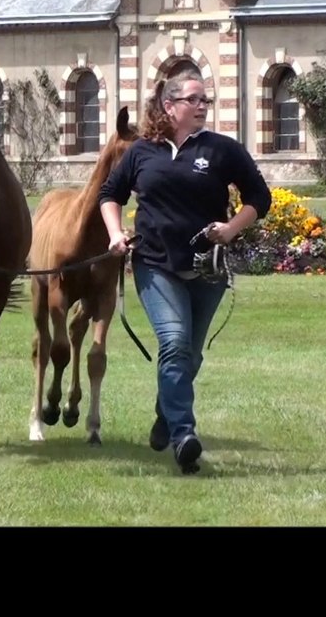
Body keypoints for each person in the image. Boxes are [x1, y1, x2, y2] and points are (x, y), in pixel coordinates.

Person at [98, 70, 272, 474]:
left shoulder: (222, 150)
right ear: (169, 105)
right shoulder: (141, 151)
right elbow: (111, 194)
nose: (201, 107)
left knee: (189, 355)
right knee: (174, 342)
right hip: (155, 264)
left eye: (204, 101)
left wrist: (230, 229)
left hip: (207, 270)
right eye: (193, 100)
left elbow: (259, 197)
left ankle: (165, 413)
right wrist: (114, 233)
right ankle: (183, 435)